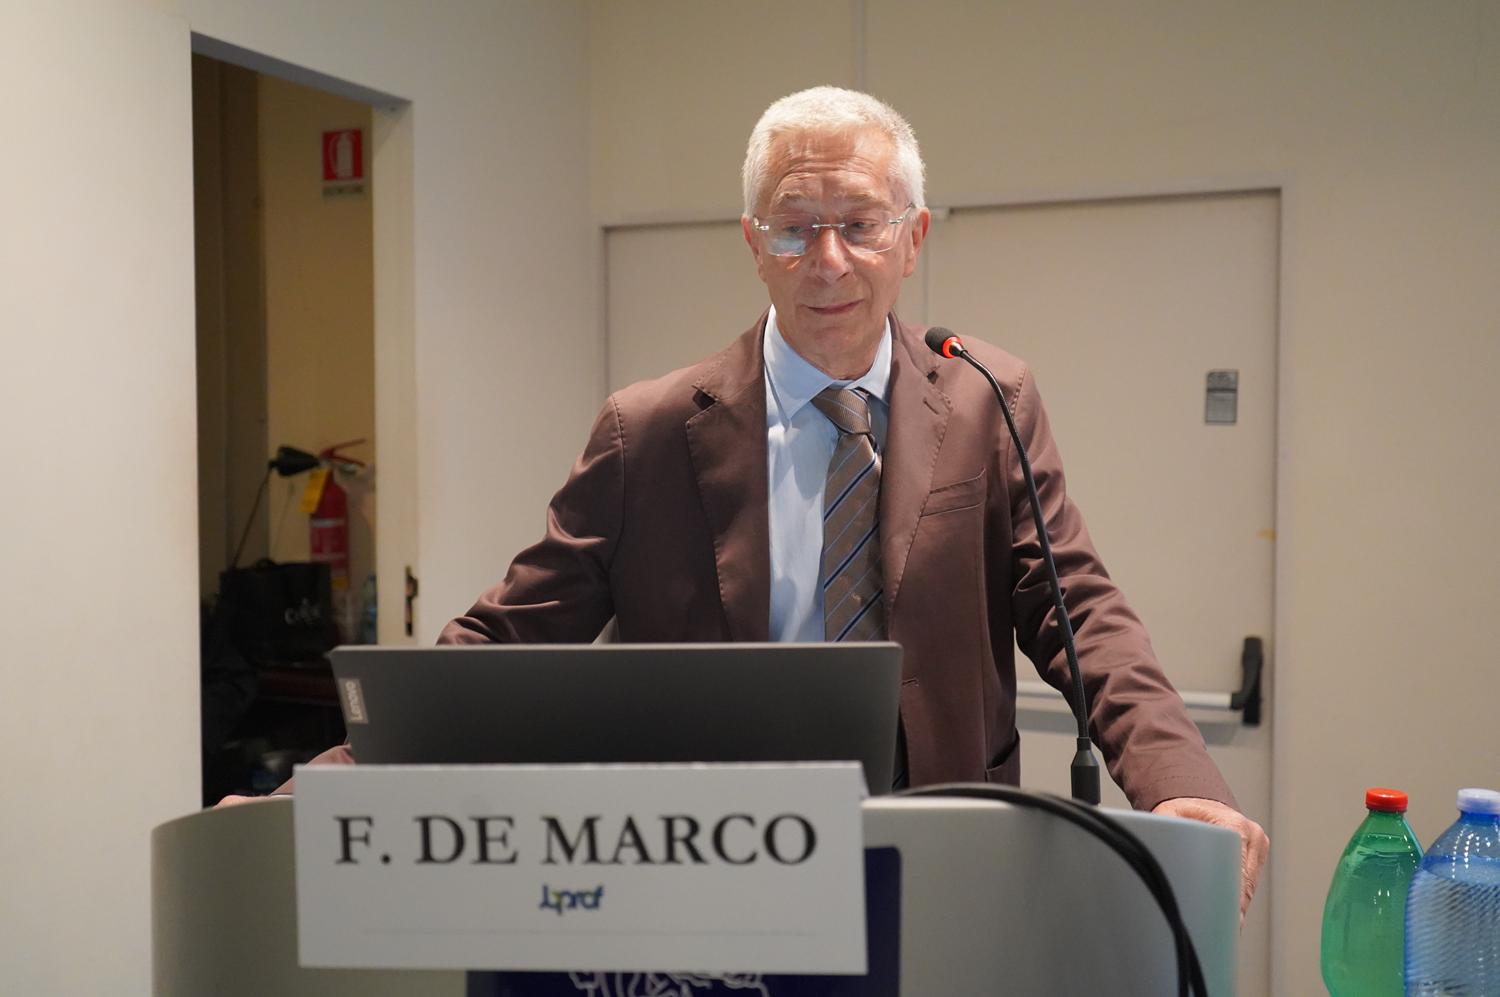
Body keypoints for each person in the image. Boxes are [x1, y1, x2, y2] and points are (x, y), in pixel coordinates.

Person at [256, 86, 1268, 919]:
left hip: (946, 857)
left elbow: (1076, 606)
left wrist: (1178, 778)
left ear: (912, 237)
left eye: (860, 225)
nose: (828, 261)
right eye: (794, 227)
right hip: (714, 874)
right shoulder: (649, 431)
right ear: (752, 238)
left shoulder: (986, 399)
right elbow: (506, 641)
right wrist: (323, 784)